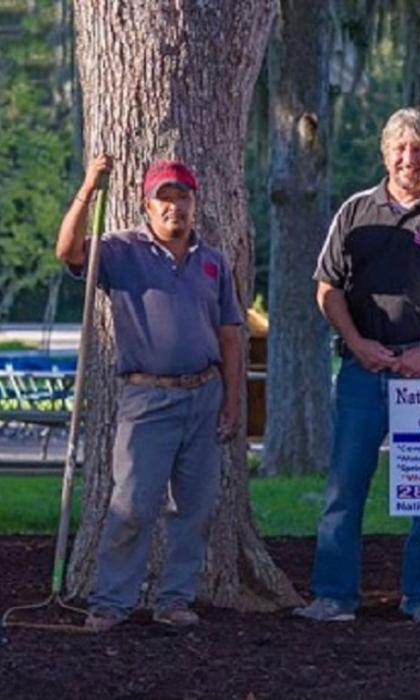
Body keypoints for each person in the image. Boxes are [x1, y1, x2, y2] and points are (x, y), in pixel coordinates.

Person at [294, 108, 420, 625]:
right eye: (401, 148)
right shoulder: (356, 211)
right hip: (364, 370)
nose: (410, 158)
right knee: (344, 487)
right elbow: (327, 289)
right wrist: (358, 343)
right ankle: (334, 596)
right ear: (385, 154)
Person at [56, 155, 243, 632]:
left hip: (204, 395)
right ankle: (110, 602)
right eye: (165, 199)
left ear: (194, 204)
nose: (174, 208)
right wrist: (87, 189)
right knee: (133, 504)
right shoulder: (120, 252)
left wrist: (233, 400)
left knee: (196, 507)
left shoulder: (212, 262)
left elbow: (229, 333)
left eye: (183, 198)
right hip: (147, 398)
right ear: (147, 205)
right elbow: (68, 252)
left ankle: (175, 600)